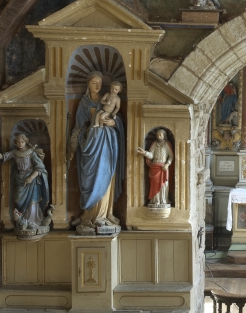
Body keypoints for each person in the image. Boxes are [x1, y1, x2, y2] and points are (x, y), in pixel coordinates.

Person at [67, 71, 125, 230]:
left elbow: (118, 118)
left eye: (100, 82)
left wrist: (114, 123)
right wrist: (74, 143)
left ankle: (104, 215)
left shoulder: (109, 98)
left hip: (107, 143)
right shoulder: (84, 103)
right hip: (91, 143)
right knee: (90, 179)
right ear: (88, 84)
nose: (98, 85)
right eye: (94, 82)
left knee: (105, 174)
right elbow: (79, 126)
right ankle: (88, 215)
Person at [0, 134, 50, 230]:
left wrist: (31, 177)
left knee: (32, 201)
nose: (20, 144)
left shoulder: (31, 153)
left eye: (22, 142)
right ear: (16, 143)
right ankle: (22, 221)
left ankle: (33, 221)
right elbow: (2, 157)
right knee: (18, 201)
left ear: (25, 142)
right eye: (18, 142)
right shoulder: (15, 152)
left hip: (32, 181)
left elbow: (40, 168)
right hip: (20, 179)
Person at [136, 129, 174, 206]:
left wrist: (167, 164)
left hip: (163, 167)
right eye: (157, 135)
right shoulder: (154, 144)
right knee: (154, 185)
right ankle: (155, 200)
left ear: (164, 136)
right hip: (155, 167)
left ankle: (163, 200)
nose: (159, 137)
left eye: (160, 135)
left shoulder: (167, 144)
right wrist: (145, 153)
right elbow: (151, 155)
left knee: (163, 185)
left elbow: (171, 156)